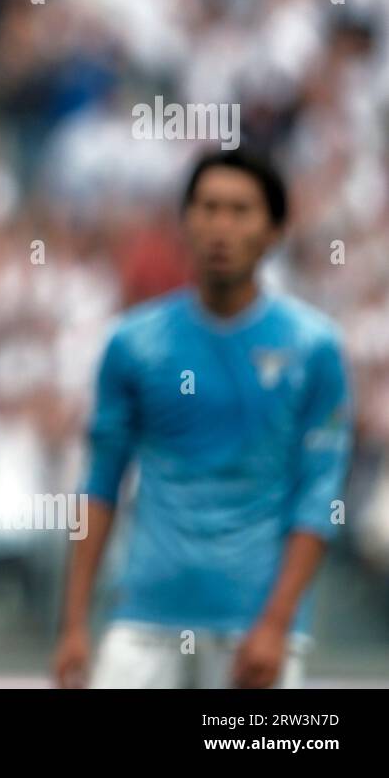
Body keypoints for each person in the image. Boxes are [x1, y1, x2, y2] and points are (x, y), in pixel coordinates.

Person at [53, 150, 352, 689]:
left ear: (274, 231)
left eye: (240, 211)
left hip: (255, 626)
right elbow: (100, 483)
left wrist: (277, 623)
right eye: (209, 208)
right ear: (186, 222)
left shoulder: (314, 348)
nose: (221, 226)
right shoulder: (133, 343)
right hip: (144, 618)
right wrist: (73, 625)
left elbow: (320, 495)